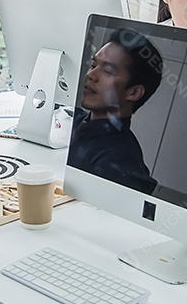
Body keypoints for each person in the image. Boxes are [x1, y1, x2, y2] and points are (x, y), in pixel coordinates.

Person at [69, 29, 163, 194]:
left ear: (133, 92)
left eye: (107, 71)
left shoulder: (120, 162)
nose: (91, 75)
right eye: (93, 65)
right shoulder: (71, 119)